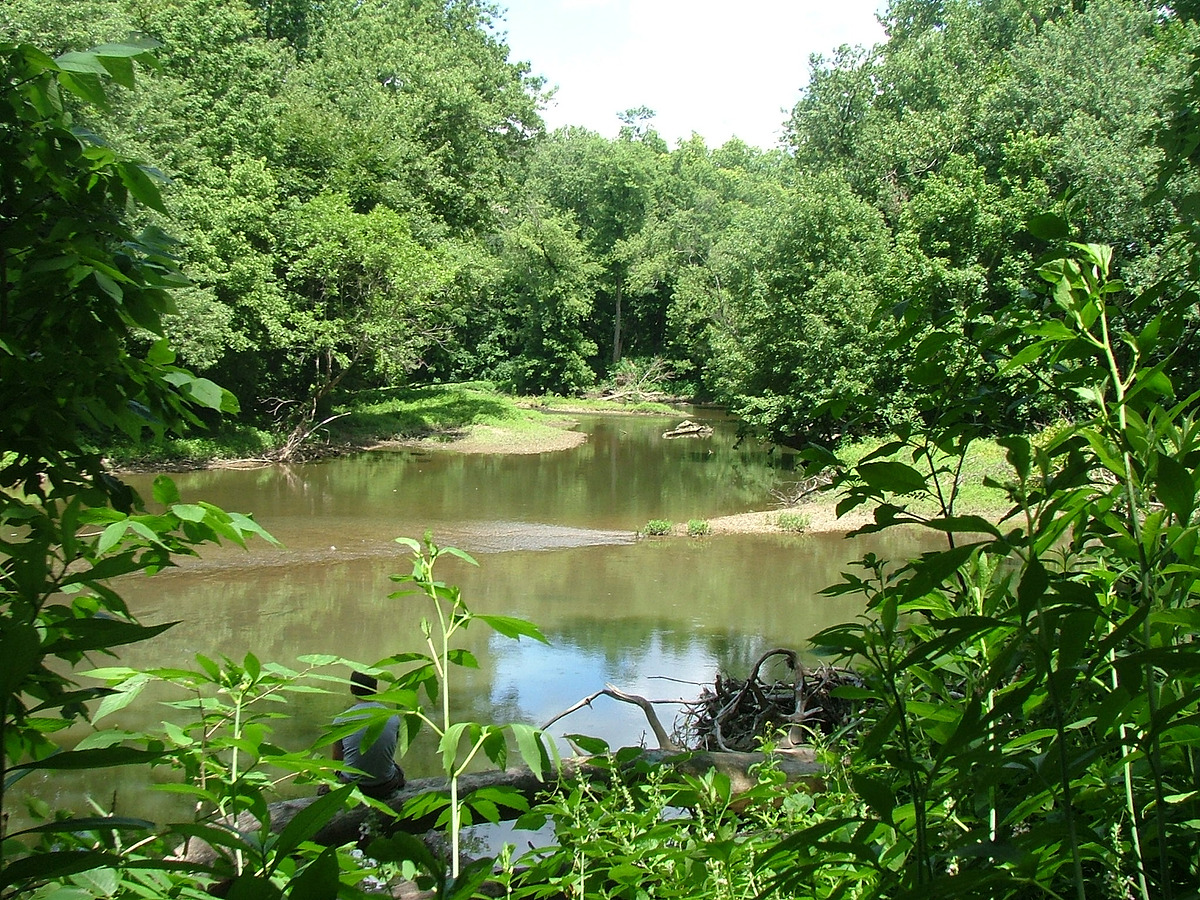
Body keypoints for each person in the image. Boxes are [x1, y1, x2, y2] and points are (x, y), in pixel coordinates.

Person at [328, 671, 406, 799]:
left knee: (327, 782)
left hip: (352, 786)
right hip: (385, 785)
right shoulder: (393, 716)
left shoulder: (341, 720)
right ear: (375, 688)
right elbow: (389, 751)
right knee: (396, 769)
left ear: (351, 689)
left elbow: (337, 762)